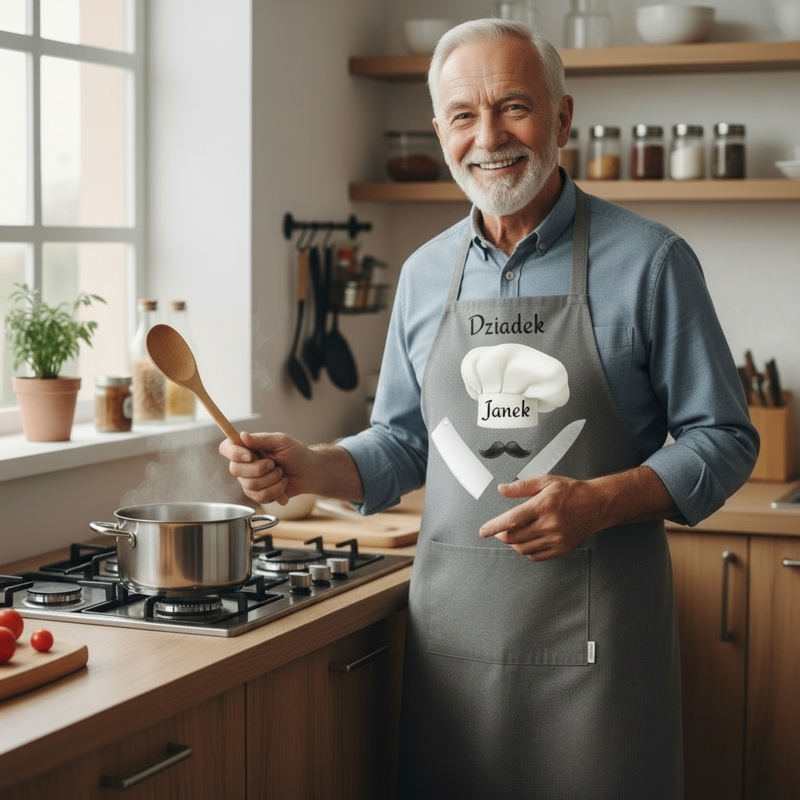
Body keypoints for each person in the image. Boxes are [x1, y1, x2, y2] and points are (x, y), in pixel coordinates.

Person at [221, 19, 759, 799]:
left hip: (597, 652)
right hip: (452, 652)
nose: (490, 137)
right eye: (464, 116)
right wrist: (315, 468)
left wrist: (603, 500)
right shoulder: (423, 273)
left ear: (563, 118)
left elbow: (724, 437)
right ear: (440, 130)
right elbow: (407, 442)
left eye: (514, 107)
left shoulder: (651, 262)